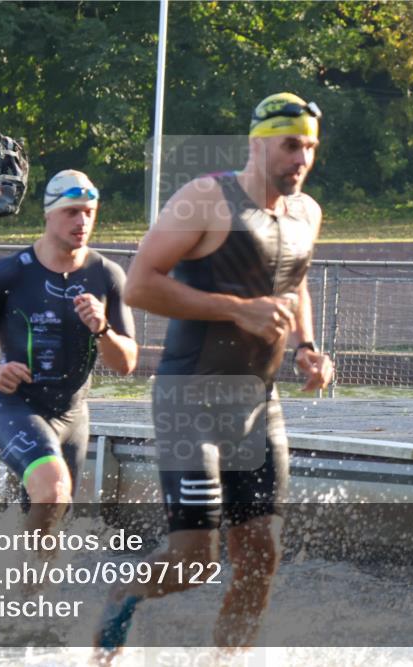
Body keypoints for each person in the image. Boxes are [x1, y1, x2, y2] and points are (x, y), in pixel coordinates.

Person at [94, 93, 334, 658]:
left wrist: (306, 346)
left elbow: (295, 280)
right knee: (194, 561)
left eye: (310, 148)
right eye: (290, 145)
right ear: (257, 145)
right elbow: (140, 285)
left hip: (258, 405)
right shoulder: (204, 197)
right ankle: (117, 613)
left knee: (261, 555)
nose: (301, 159)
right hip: (191, 402)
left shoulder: (307, 212)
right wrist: (236, 309)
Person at [0, 169, 138, 538]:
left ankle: (16, 575)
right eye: (71, 212)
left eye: (89, 213)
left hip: (73, 417)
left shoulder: (107, 275)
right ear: (49, 214)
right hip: (14, 406)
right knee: (53, 491)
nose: (82, 222)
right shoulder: (10, 273)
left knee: (50, 520)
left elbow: (126, 364)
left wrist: (103, 329)